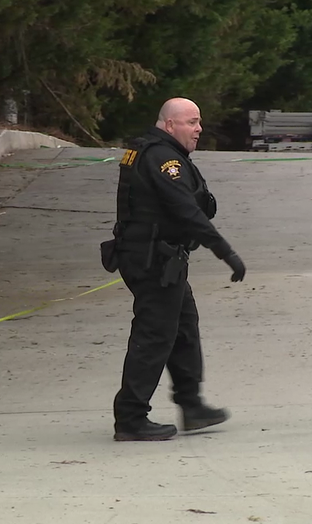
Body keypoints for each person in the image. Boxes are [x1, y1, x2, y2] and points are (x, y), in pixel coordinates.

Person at [109, 98, 246, 441]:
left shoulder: (148, 151)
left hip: (158, 258)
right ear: (170, 125)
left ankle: (192, 405)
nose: (199, 129)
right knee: (154, 337)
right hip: (154, 262)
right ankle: (130, 417)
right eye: (192, 122)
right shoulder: (163, 159)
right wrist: (225, 252)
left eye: (199, 122)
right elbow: (188, 211)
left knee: (183, 329)